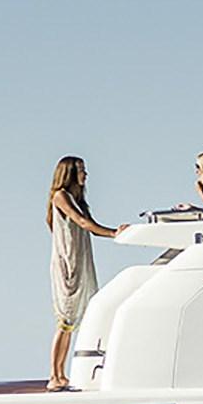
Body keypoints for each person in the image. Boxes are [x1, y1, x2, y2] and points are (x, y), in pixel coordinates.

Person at [47, 156, 123, 390]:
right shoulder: (60, 196)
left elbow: (90, 226)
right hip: (68, 264)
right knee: (65, 319)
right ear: (69, 173)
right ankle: (54, 375)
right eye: (81, 170)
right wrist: (114, 233)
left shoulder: (77, 200)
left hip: (78, 262)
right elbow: (82, 222)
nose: (85, 175)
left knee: (71, 321)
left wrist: (115, 232)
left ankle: (60, 374)